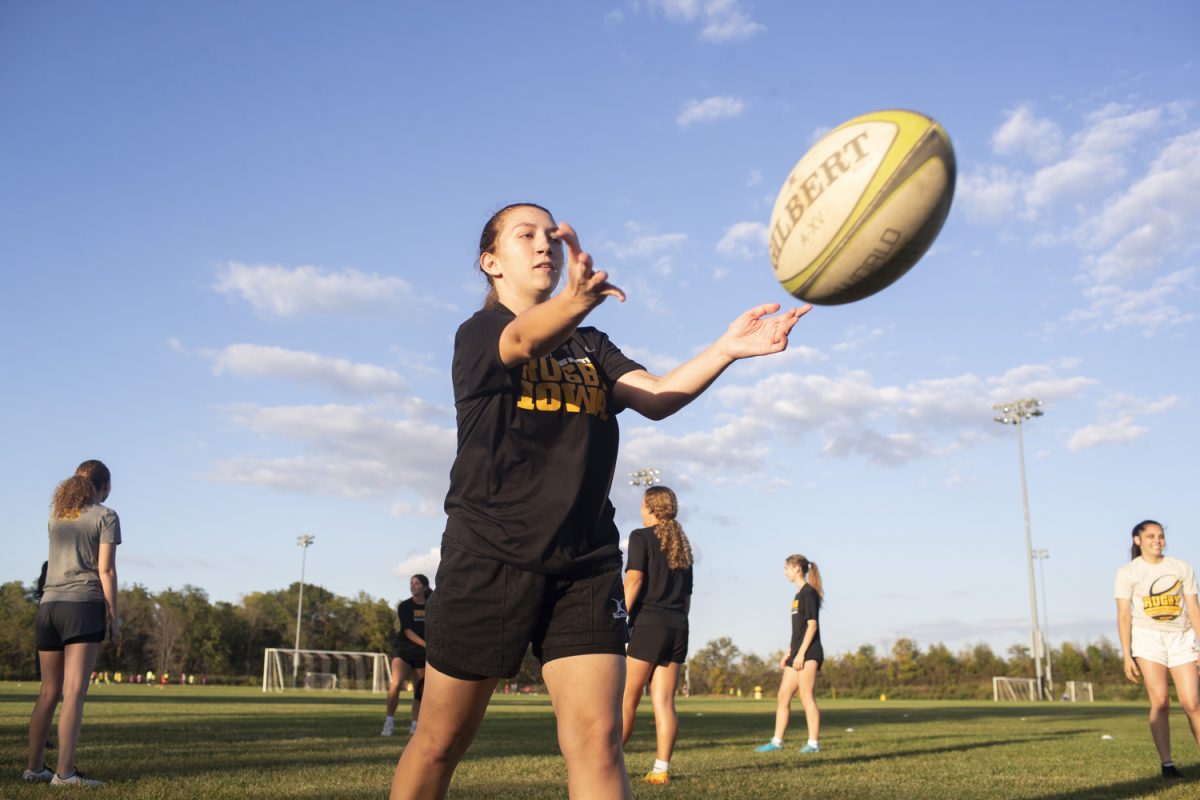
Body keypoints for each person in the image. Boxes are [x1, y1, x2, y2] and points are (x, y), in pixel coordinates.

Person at [389, 203, 807, 800]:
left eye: (552, 238)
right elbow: (523, 337)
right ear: (491, 262)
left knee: (598, 741)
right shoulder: (479, 334)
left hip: (584, 563)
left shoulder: (590, 345)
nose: (545, 246)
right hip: (490, 558)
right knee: (439, 742)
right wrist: (578, 299)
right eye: (526, 236)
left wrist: (727, 349)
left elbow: (659, 395)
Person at [24, 459, 120, 787]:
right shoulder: (106, 516)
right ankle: (64, 774)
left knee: (48, 691)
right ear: (104, 487)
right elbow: (105, 570)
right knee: (74, 692)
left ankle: (35, 768)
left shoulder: (56, 516)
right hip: (82, 607)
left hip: (48, 607)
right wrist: (114, 615)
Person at [1114, 519, 1200, 780]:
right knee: (1160, 701)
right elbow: (1124, 615)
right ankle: (1167, 765)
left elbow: (1194, 609)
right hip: (1147, 640)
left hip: (1181, 639)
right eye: (1150, 536)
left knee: (1192, 702)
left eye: (1160, 535)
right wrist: (1127, 654)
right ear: (1137, 540)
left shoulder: (1180, 567)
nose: (1157, 540)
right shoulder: (1127, 572)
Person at [620, 485, 694, 786]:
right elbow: (687, 598)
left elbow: (634, 579)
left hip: (649, 625)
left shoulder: (640, 537)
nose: (640, 509)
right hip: (678, 627)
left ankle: (607, 762)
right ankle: (661, 769)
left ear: (650, 507)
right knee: (664, 702)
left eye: (642, 504)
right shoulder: (682, 545)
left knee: (626, 700)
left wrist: (618, 616)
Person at [755, 554, 823, 754]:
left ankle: (813, 744)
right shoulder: (797, 596)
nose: (784, 572)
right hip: (797, 653)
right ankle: (777, 742)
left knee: (806, 697)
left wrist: (801, 654)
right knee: (783, 696)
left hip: (809, 653)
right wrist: (789, 653)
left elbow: (812, 626)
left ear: (797, 569)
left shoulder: (809, 593)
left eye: (786, 568)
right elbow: (798, 631)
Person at [383, 574, 432, 736]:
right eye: (411, 583)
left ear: (425, 587)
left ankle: (415, 726)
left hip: (422, 654)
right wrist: (427, 644)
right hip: (404, 650)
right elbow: (408, 631)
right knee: (396, 683)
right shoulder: (405, 606)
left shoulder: (432, 606)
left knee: (420, 690)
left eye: (417, 583)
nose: (413, 586)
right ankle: (389, 722)